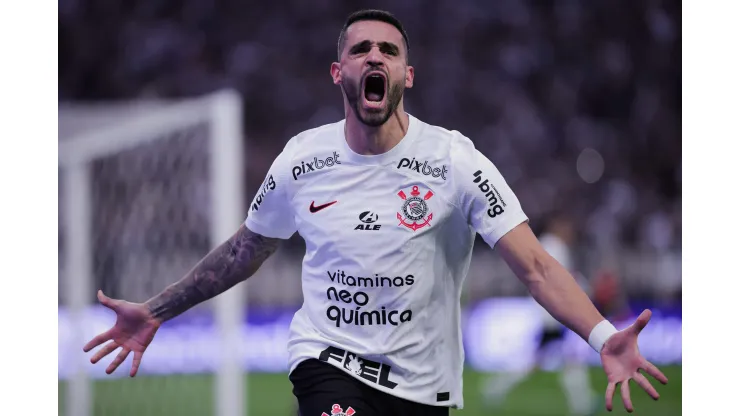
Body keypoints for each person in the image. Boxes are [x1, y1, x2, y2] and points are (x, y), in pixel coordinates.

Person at [83, 9, 668, 416]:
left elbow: (536, 266)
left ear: (406, 76)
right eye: (360, 49)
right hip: (325, 361)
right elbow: (242, 253)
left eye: (388, 50)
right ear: (340, 73)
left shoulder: (454, 162)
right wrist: (156, 310)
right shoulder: (301, 160)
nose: (375, 57)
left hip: (425, 386)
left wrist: (601, 337)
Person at [481, 213, 600, 415]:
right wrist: (584, 290)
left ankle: (496, 387)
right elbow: (559, 279)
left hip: (549, 312)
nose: (570, 232)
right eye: (566, 227)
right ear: (557, 226)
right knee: (564, 360)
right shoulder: (554, 247)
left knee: (547, 361)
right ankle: (582, 403)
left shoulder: (546, 244)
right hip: (553, 314)